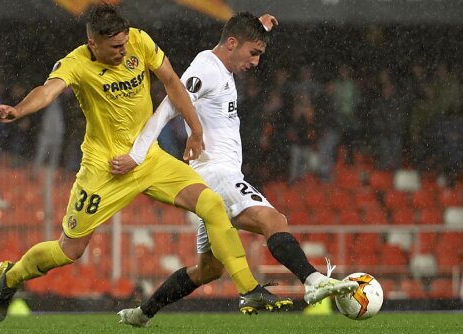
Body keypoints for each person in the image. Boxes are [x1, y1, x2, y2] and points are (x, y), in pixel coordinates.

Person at [0, 6, 292, 322]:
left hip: (149, 160)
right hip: (106, 170)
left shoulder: (140, 42)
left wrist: (196, 130)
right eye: (116, 47)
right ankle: (11, 277)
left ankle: (249, 289)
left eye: (125, 43)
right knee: (68, 251)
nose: (123, 50)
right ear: (94, 43)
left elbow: (174, 82)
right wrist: (19, 110)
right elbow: (47, 92)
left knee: (212, 205)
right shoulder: (75, 63)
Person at [112, 12, 359, 328]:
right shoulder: (206, 69)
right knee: (274, 220)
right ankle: (313, 280)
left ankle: (142, 314)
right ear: (231, 44)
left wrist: (259, 27)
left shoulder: (221, 63)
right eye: (253, 53)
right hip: (217, 175)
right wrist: (137, 154)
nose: (255, 62)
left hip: (213, 180)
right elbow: (170, 105)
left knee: (208, 270)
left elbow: (237, 38)